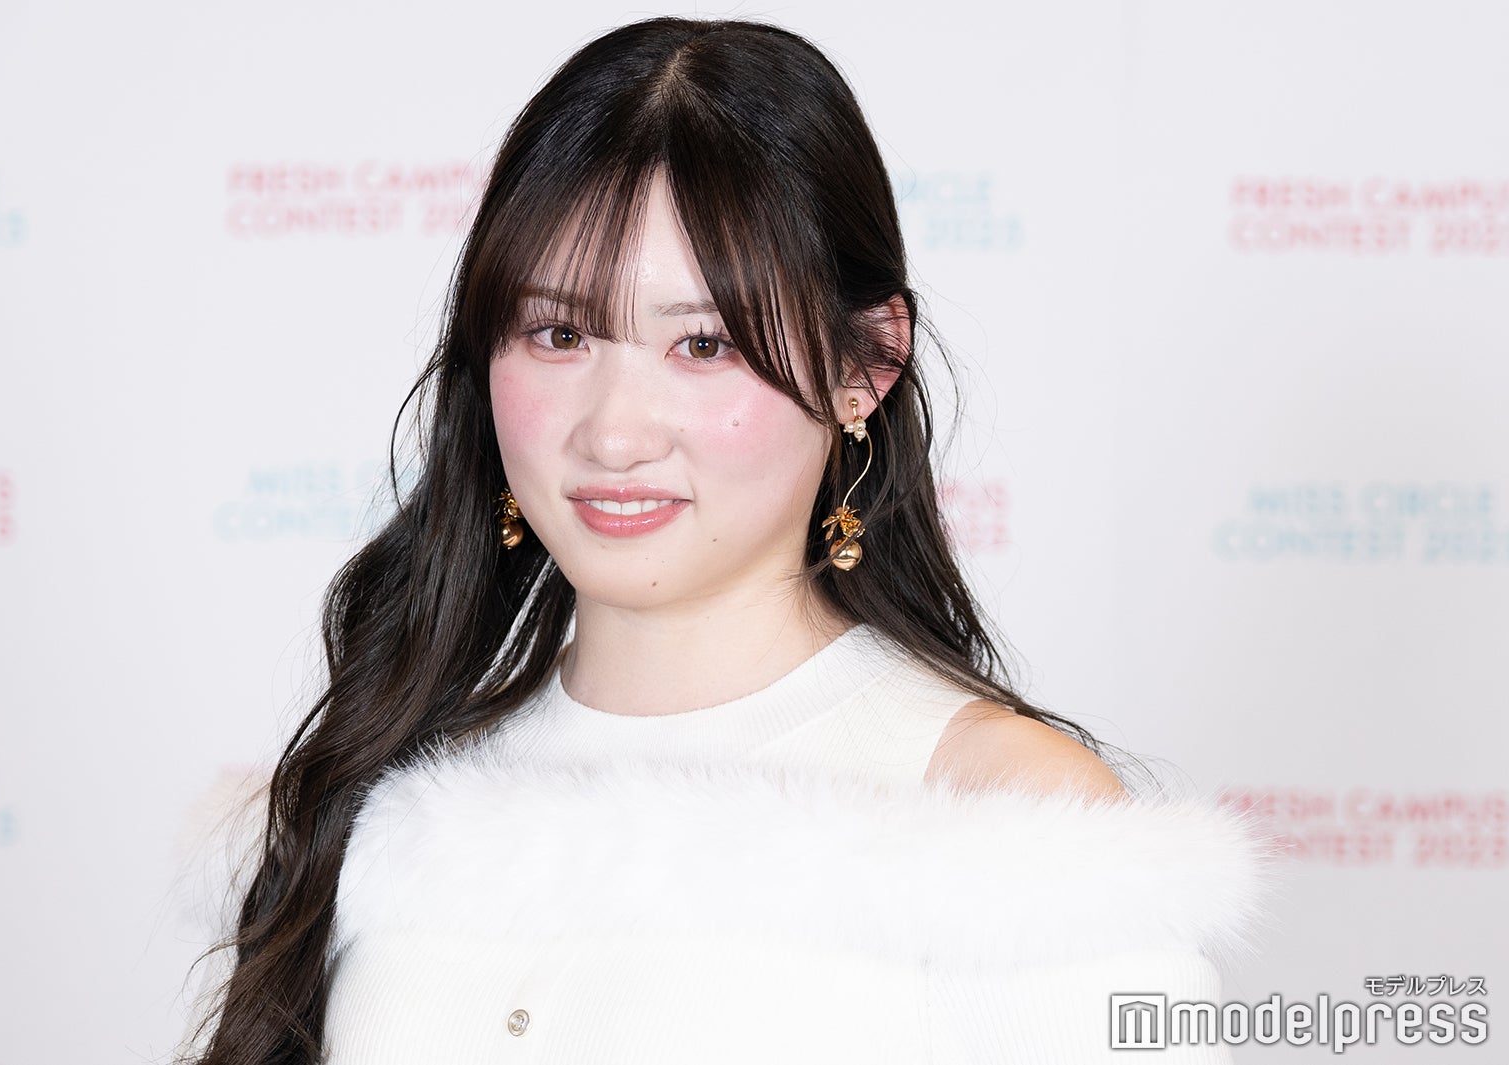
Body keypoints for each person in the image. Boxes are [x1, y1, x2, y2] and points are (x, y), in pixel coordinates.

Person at [179, 15, 1274, 1065]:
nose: (613, 433)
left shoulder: (1006, 816)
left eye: (703, 345)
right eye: (558, 332)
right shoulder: (401, 784)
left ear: (865, 366)